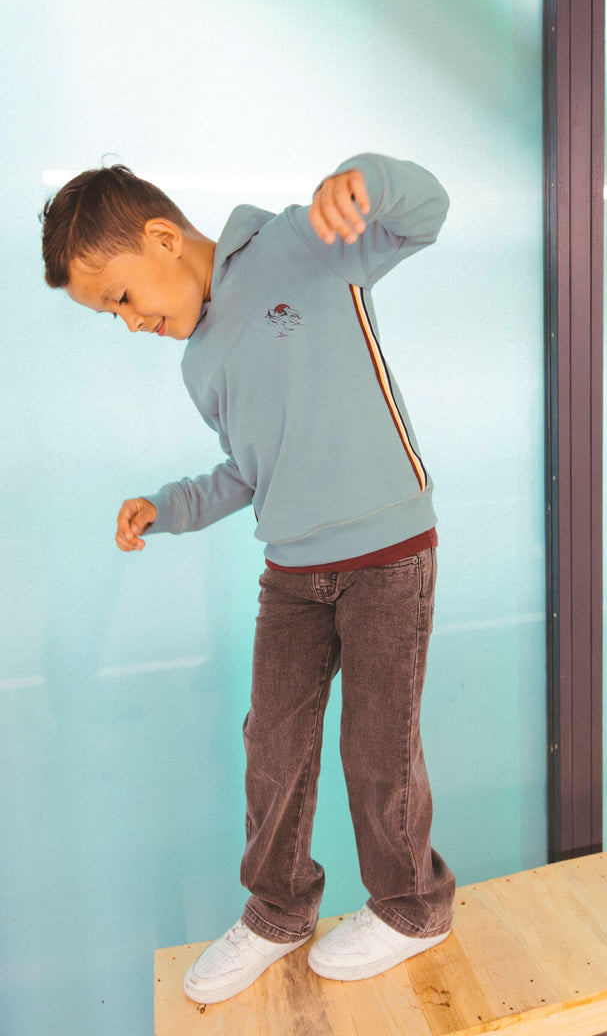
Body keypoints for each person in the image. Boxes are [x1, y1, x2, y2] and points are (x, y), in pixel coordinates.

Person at [41, 153, 456, 1004]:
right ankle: (278, 910)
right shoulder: (199, 362)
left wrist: (366, 179)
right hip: (293, 574)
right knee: (271, 748)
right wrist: (167, 507)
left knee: (377, 749)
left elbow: (428, 213)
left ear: (163, 239)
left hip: (388, 556)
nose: (127, 324)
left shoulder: (300, 243)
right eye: (107, 316)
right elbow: (244, 472)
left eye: (121, 298)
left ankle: (412, 905)